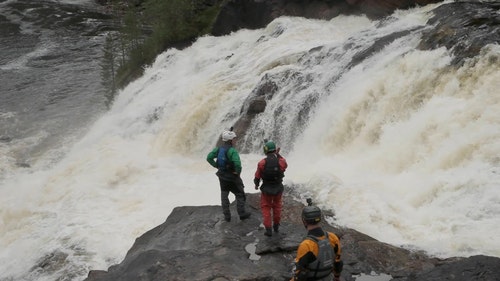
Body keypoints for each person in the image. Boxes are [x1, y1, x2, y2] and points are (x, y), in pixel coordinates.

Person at [291, 199, 343, 281]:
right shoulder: (333, 237)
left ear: (304, 221)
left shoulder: (306, 245)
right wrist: (336, 277)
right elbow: (338, 262)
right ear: (319, 219)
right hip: (328, 276)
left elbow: (300, 273)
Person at [207, 130, 251, 222]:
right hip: (232, 177)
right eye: (234, 139)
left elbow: (209, 158)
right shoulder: (232, 151)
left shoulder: (218, 149)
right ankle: (242, 214)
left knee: (224, 195)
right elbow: (238, 164)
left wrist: (216, 165)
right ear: (230, 140)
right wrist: (237, 173)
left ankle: (227, 216)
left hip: (222, 176)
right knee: (240, 194)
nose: (235, 140)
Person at [254, 140, 288, 236]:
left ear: (265, 150)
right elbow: (285, 165)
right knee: (277, 207)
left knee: (266, 208)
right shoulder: (281, 161)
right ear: (274, 150)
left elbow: (257, 176)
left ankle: (268, 230)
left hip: (266, 189)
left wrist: (256, 185)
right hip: (278, 188)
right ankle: (276, 227)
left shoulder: (262, 163)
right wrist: (278, 155)